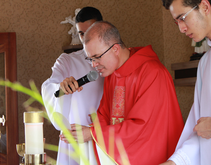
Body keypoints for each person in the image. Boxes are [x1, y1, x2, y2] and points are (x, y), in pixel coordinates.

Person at [60, 21, 184, 165]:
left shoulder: (153, 73)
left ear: (115, 49)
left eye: (97, 57)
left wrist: (93, 134)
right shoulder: (112, 74)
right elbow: (103, 115)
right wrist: (87, 133)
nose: (93, 65)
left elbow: (144, 129)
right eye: (90, 59)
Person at [41, 7, 104, 165]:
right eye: (81, 33)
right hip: (76, 141)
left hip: (106, 137)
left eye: (90, 30)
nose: (85, 37)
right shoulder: (67, 61)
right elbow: (50, 85)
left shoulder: (113, 59)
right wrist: (62, 88)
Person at [161, 0, 211, 164]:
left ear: (204, 7)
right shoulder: (205, 63)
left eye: (183, 18)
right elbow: (199, 132)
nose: (181, 29)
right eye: (176, 22)